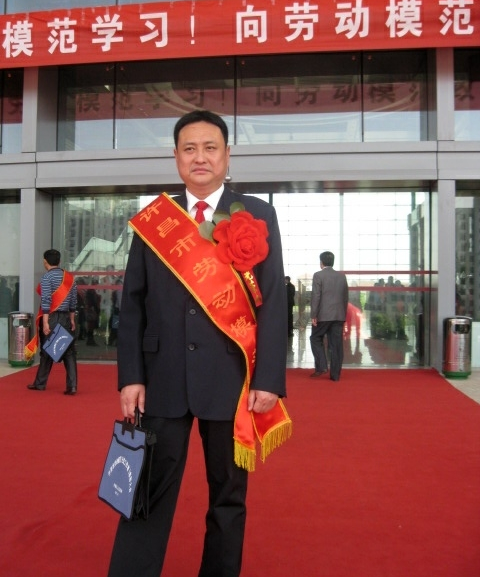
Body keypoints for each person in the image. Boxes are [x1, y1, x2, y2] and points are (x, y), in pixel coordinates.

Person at [107, 110, 291, 577]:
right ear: (176, 157)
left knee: (228, 497)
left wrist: (269, 377)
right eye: (189, 149)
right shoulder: (155, 220)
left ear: (227, 155)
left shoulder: (256, 214)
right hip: (162, 378)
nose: (200, 157)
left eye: (210, 148)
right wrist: (131, 376)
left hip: (231, 380)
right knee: (145, 490)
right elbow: (133, 303)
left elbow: (273, 301)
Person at [26, 249, 78, 395]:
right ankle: (72, 386)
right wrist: (72, 319)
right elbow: (73, 301)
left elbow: (46, 300)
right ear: (59, 261)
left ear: (45, 261)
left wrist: (45, 322)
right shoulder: (69, 278)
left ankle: (40, 383)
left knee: (46, 351)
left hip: (51, 317)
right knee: (69, 352)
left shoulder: (47, 278)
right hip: (66, 317)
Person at [309, 251, 349, 381]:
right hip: (338, 315)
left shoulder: (318, 275)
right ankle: (335, 375)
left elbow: (316, 296)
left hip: (323, 315)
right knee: (336, 345)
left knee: (315, 338)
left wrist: (314, 315)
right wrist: (343, 314)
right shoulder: (342, 277)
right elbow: (345, 297)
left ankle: (322, 366)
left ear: (321, 262)